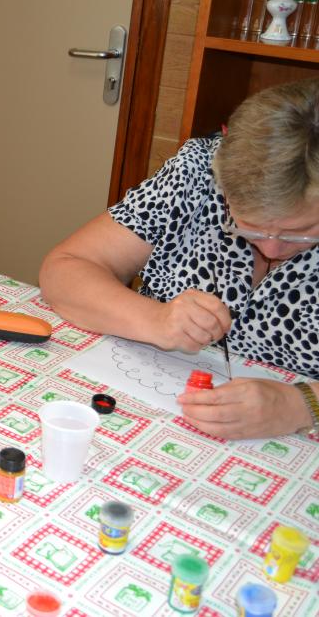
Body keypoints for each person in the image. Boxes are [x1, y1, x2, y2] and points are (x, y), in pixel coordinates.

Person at [40, 79, 319, 440]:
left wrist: (302, 404)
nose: (270, 249)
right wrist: (156, 319)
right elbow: (64, 269)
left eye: (298, 232)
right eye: (248, 226)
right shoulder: (197, 171)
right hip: (152, 424)